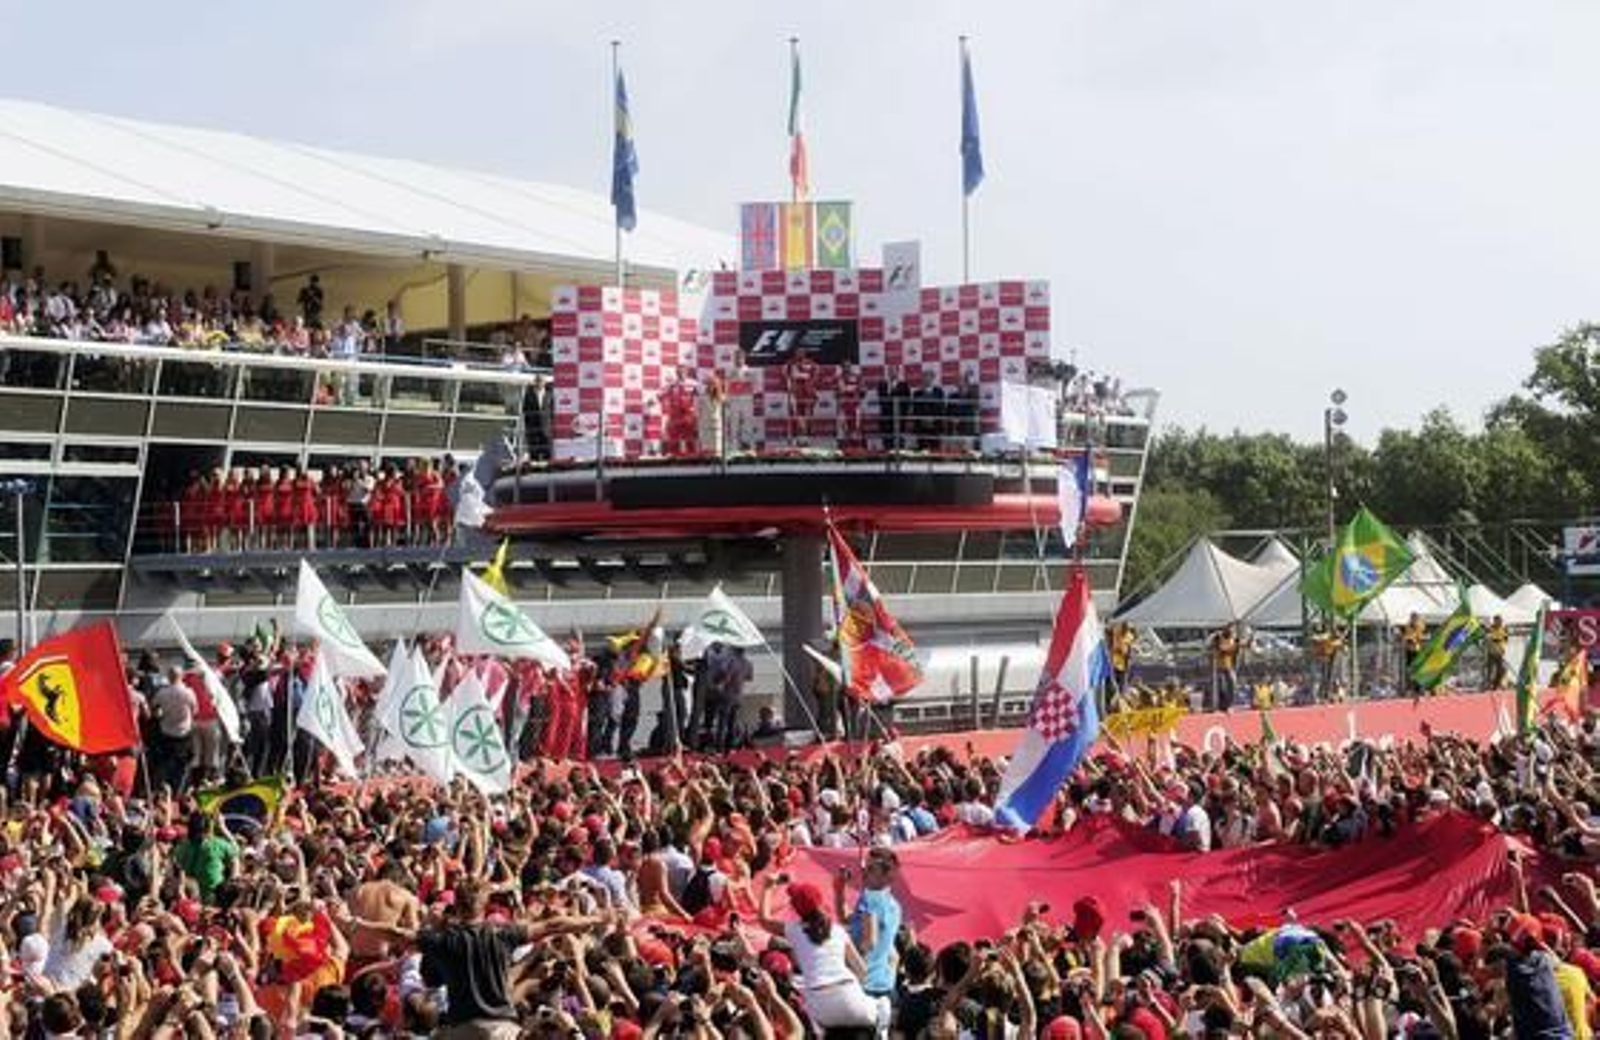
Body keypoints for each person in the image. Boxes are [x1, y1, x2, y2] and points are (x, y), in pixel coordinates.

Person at [758, 878, 881, 1034]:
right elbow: (862, 972)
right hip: (851, 999)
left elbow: (763, 920)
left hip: (819, 1008)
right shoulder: (838, 931)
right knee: (884, 1008)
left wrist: (768, 887)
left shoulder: (794, 930)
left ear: (796, 910)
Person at [839, 848, 903, 1020]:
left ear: (887, 876)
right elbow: (846, 919)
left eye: (871, 869)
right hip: (885, 987)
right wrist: (839, 890)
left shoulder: (870, 898)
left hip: (863, 987)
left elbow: (870, 943)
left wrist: (841, 947)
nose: (864, 872)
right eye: (865, 867)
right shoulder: (894, 905)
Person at [150, 665, 197, 793]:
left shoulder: (162, 693)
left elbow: (153, 709)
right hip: (184, 733)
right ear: (182, 676)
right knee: (183, 765)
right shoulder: (189, 692)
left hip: (167, 732)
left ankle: (162, 790)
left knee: (165, 764)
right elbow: (195, 710)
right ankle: (179, 791)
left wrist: (160, 714)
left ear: (169, 677)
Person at [785, 348, 819, 445]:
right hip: (795, 394)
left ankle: (807, 438)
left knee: (808, 415)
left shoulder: (810, 363)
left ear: (805, 353)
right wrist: (790, 389)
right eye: (797, 353)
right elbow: (787, 377)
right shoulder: (790, 363)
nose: (799, 354)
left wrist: (812, 386)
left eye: (802, 353)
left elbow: (816, 373)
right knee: (795, 416)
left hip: (807, 393)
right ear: (795, 354)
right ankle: (795, 438)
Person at [1207, 624, 1240, 712]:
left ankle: (1229, 705)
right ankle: (1216, 706)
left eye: (1232, 631)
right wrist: (1233, 647)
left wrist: (1240, 645)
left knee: (1233, 684)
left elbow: (1238, 647)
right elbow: (1222, 650)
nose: (1231, 632)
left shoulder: (1233, 639)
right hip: (1217, 666)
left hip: (1229, 666)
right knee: (1219, 686)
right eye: (1229, 630)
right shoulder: (1218, 637)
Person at [1401, 612, 1428, 694]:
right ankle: (1412, 688)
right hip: (1409, 651)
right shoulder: (1408, 626)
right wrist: (1409, 639)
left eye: (1415, 618)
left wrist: (1422, 638)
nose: (1413, 620)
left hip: (1418, 651)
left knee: (1418, 670)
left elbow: (1420, 636)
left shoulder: (1420, 625)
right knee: (1410, 670)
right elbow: (1407, 637)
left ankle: (1419, 688)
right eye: (1412, 618)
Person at [1485, 614, 1511, 690]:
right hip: (1492, 652)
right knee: (1490, 670)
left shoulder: (1504, 629)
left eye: (1500, 621)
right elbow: (1489, 638)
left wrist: (1503, 646)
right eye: (1497, 621)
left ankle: (1495, 686)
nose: (1499, 622)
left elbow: (1505, 639)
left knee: (1500, 671)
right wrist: (1493, 639)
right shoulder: (1490, 629)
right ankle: (1488, 685)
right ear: (1495, 621)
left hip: (1500, 653)